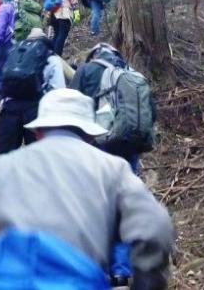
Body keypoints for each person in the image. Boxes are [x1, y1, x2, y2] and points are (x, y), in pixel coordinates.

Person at [0, 88, 175, 289]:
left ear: (38, 132)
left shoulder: (4, 166)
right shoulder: (113, 169)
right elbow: (154, 227)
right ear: (90, 135)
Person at [70, 43, 156, 285]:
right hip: (127, 149)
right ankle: (121, 271)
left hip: (96, 146)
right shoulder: (130, 74)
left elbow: (72, 109)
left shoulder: (85, 71)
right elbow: (151, 113)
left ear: (94, 55)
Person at [0, 27, 64, 156]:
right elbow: (58, 91)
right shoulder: (50, 57)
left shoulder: (15, 53)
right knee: (37, 159)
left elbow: (1, 80)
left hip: (9, 108)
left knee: (3, 157)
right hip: (35, 109)